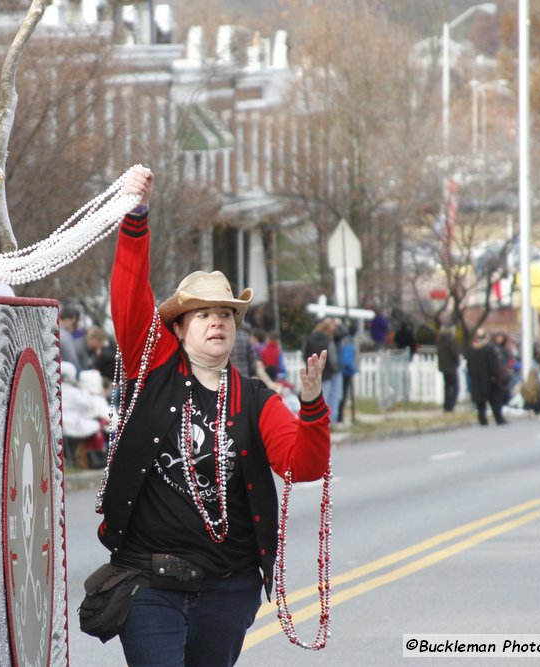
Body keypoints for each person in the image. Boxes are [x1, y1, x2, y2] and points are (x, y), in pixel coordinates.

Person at [93, 166, 331, 667]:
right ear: (178, 329)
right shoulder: (152, 369)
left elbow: (301, 467)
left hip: (228, 588)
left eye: (225, 314)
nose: (217, 322)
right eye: (203, 314)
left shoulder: (256, 398)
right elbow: (130, 295)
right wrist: (136, 215)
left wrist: (311, 407)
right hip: (149, 582)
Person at [465, 329, 507, 426]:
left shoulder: (471, 349)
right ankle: (498, 418)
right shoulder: (489, 349)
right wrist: (495, 376)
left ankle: (482, 419)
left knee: (480, 401)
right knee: (495, 400)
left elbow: (469, 365)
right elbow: (493, 364)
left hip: (476, 379)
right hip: (489, 379)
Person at [303, 318, 340, 420]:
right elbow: (332, 358)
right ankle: (326, 421)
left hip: (311, 371)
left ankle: (314, 420)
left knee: (313, 398)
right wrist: (334, 369)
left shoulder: (309, 338)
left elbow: (304, 354)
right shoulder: (328, 340)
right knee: (326, 398)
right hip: (326, 373)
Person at [436, 324, 460, 413]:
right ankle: (450, 406)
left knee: (447, 387)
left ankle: (446, 406)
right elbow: (454, 353)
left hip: (443, 367)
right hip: (451, 367)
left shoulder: (440, 340)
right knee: (455, 387)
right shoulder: (450, 340)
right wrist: (457, 361)